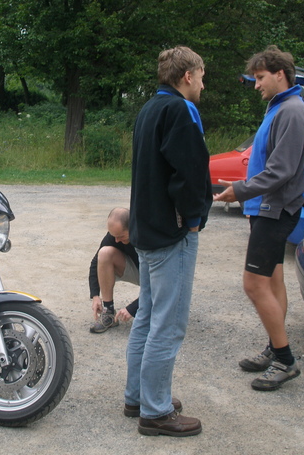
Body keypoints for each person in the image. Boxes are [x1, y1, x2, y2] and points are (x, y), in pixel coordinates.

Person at [214, 46, 304, 391]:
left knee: (253, 284)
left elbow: (281, 171)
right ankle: (275, 347)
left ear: (279, 74)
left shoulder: (293, 112)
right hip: (266, 208)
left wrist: (241, 191)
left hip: (276, 210)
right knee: (272, 281)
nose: (256, 85)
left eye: (260, 78)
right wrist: (245, 191)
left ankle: (285, 360)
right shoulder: (280, 107)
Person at [125, 46, 212, 437]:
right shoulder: (180, 110)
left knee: (147, 316)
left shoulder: (149, 109)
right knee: (168, 323)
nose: (203, 85)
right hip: (170, 233)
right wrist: (193, 220)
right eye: (202, 77)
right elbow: (189, 173)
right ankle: (156, 411)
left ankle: (137, 397)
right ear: (187, 76)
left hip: (146, 230)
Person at [88, 208, 139, 333]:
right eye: (114, 236)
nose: (116, 241)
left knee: (158, 312)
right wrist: (95, 295)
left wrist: (133, 308)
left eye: (121, 236)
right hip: (138, 271)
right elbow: (95, 263)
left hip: (156, 275)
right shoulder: (114, 236)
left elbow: (161, 282)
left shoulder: (146, 235)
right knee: (104, 253)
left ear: (132, 227)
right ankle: (108, 312)